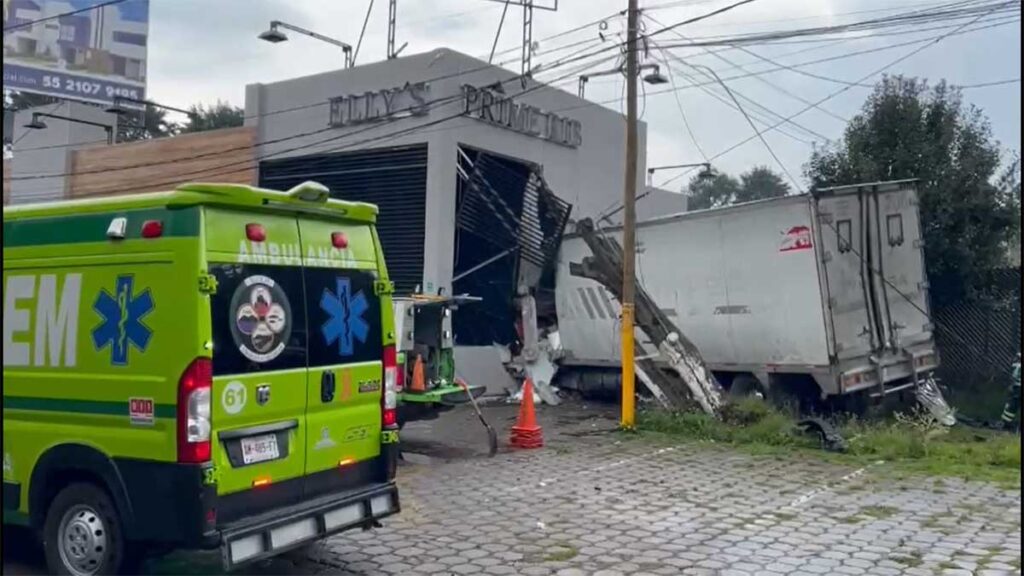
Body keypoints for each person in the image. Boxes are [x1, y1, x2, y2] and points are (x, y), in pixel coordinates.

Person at [1000, 353, 1021, 431]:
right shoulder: (1017, 366)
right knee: (1012, 405)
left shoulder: (1016, 366)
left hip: (1017, 387)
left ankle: (1006, 423)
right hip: (1017, 387)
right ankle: (1007, 423)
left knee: (1012, 405)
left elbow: (1013, 377)